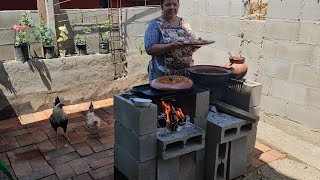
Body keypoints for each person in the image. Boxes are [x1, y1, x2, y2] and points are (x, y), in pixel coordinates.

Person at [144, 0, 200, 81]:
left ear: (178, 6)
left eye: (175, 4)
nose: (172, 7)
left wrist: (196, 45)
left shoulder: (184, 23)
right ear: (161, 6)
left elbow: (191, 46)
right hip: (163, 74)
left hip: (186, 73)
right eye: (168, 5)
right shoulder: (155, 24)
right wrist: (172, 46)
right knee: (166, 94)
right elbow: (150, 49)